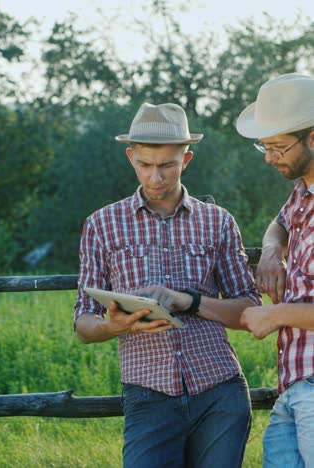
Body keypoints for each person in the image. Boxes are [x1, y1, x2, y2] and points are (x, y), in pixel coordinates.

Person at [74, 102, 261, 468]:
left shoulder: (217, 222)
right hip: (148, 394)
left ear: (186, 160)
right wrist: (114, 326)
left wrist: (187, 300)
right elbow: (83, 323)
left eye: (167, 165)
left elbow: (248, 311)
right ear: (131, 158)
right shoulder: (101, 225)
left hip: (220, 392)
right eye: (145, 165)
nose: (156, 177)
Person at [236, 73, 314, 467]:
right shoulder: (303, 192)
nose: (269, 157)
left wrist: (275, 314)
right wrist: (271, 250)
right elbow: (280, 223)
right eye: (264, 146)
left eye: (278, 146)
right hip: (294, 387)